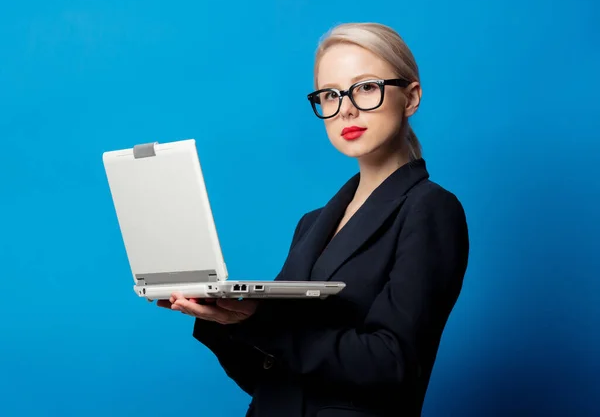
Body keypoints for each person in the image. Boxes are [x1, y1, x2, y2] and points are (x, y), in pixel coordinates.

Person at [158, 22, 470, 417]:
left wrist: (259, 321)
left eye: (367, 87)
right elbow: (271, 376)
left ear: (411, 97)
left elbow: (393, 364)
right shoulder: (313, 223)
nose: (348, 108)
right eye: (331, 94)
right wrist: (224, 317)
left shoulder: (429, 209)